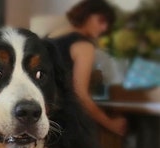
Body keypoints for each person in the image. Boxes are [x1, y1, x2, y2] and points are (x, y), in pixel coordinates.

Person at [51, 0, 127, 136]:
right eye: (101, 21)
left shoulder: (52, 35)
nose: (104, 28)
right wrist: (111, 124)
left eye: (107, 24)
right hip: (63, 122)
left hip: (44, 114)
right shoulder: (84, 46)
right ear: (87, 15)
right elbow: (80, 96)